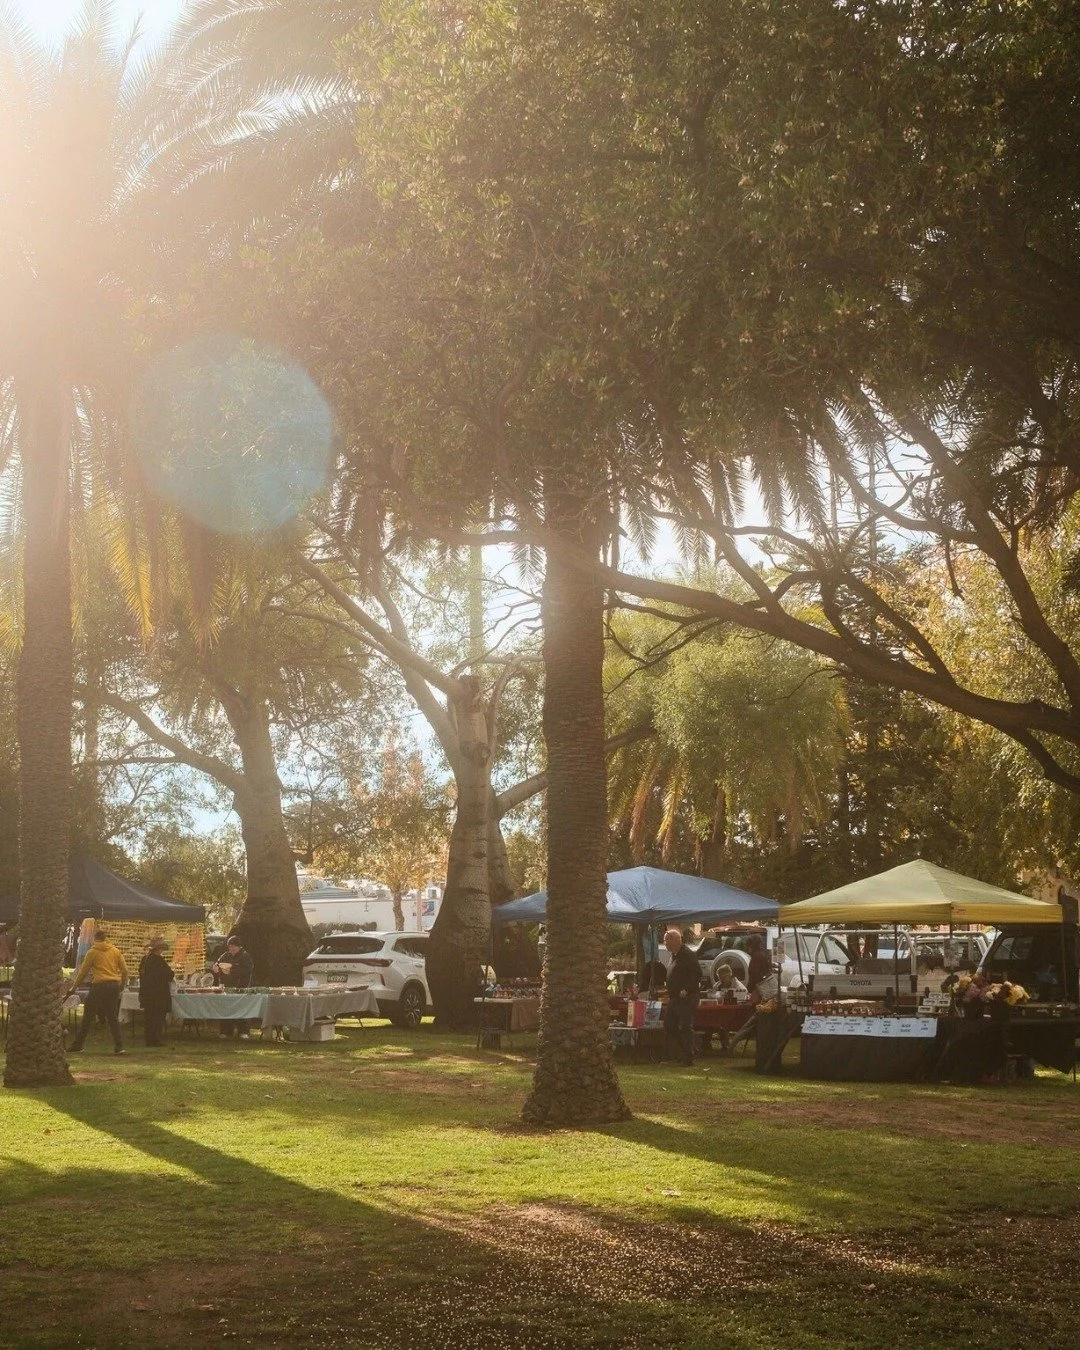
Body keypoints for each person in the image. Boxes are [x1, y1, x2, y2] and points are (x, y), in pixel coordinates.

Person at [68, 928, 128, 1055]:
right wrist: (122, 984)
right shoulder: (115, 951)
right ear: (106, 938)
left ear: (95, 939)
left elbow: (82, 972)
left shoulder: (92, 952)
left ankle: (78, 1045)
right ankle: (119, 1046)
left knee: (88, 1016)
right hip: (113, 985)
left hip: (99, 985)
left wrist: (73, 988)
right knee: (112, 1017)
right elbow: (125, 971)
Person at [662, 928, 700, 1066]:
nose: (665, 943)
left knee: (685, 1026)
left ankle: (688, 1057)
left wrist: (687, 989)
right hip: (674, 998)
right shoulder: (674, 955)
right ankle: (680, 1053)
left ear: (675, 940)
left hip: (686, 998)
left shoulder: (687, 954)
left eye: (667, 940)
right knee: (669, 1024)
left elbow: (697, 974)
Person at [213, 935, 255, 1040]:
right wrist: (215, 968)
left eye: (233, 946)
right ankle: (225, 1031)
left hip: (241, 987)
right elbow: (217, 964)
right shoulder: (225, 956)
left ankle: (243, 1031)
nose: (231, 949)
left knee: (242, 1009)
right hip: (227, 987)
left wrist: (231, 970)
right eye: (230, 946)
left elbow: (247, 971)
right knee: (226, 1008)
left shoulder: (245, 956)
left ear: (239, 947)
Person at [138, 937, 174, 1048]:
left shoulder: (145, 959)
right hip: (158, 993)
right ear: (158, 949)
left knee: (149, 1017)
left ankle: (149, 1039)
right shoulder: (159, 960)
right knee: (158, 1017)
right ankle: (155, 1039)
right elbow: (169, 975)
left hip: (147, 991)